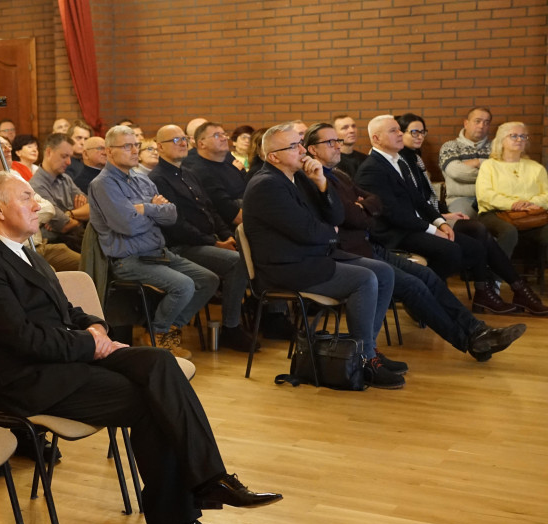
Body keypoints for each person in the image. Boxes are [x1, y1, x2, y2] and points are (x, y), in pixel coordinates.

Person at [0, 171, 282, 524]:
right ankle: (175, 520)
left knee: (159, 363)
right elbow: (21, 340)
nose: (37, 204)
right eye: (27, 197)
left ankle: (212, 480)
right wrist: (90, 345)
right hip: (27, 381)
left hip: (63, 360)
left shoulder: (22, 249)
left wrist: (93, 325)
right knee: (151, 403)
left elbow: (64, 308)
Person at [304, 122, 527, 361]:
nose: (337, 146)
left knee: (429, 275)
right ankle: (472, 340)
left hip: (370, 246)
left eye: (336, 141)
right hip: (353, 255)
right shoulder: (313, 180)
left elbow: (374, 202)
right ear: (312, 150)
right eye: (330, 142)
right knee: (415, 286)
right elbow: (348, 215)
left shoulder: (338, 176)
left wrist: (364, 207)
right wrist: (361, 209)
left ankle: (477, 330)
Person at [243, 123, 405, 389]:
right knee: (365, 279)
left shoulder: (298, 178)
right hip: (288, 268)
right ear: (273, 156)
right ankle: (362, 361)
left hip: (311, 255)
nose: (302, 150)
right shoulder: (267, 185)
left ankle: (368, 352)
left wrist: (321, 183)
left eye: (300, 144)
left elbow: (336, 216)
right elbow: (308, 231)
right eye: (294, 146)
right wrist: (332, 232)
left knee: (383, 272)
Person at [356, 115, 544, 314]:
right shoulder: (372, 169)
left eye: (399, 129)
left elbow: (419, 199)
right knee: (452, 250)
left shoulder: (398, 162)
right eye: (393, 131)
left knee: (476, 247)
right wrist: (433, 229)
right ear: (376, 139)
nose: (400, 134)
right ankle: (417, 295)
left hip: (411, 225)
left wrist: (440, 222)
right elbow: (392, 214)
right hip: (394, 233)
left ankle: (463, 295)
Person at [88, 125, 216, 359]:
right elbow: (127, 225)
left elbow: (172, 215)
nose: (134, 150)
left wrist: (144, 209)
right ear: (109, 151)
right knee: (184, 285)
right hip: (128, 260)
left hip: (157, 252)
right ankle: (159, 332)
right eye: (127, 146)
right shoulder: (103, 184)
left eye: (136, 145)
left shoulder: (142, 179)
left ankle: (166, 327)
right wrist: (154, 210)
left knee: (208, 280)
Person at [149, 125, 255, 352]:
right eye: (175, 140)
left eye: (184, 139)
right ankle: (231, 327)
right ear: (159, 147)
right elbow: (177, 225)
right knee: (237, 262)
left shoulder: (188, 173)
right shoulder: (157, 179)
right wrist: (216, 243)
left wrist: (227, 236)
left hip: (206, 240)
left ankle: (255, 316)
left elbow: (210, 210)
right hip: (180, 246)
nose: (182, 143)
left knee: (240, 255)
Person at [475, 121, 548, 281]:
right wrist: (513, 204)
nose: (519, 139)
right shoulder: (489, 166)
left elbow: (546, 194)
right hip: (494, 213)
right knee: (508, 232)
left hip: (530, 215)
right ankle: (493, 283)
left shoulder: (536, 167)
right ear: (501, 140)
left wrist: (531, 203)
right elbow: (485, 195)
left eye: (523, 136)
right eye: (513, 135)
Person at [439, 107, 494, 220]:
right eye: (477, 121)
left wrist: (475, 163)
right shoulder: (450, 146)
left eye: (486, 122)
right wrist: (485, 166)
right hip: (460, 199)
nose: (481, 126)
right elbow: (456, 172)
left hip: (492, 199)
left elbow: (503, 175)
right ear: (466, 123)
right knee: (466, 225)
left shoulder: (496, 148)